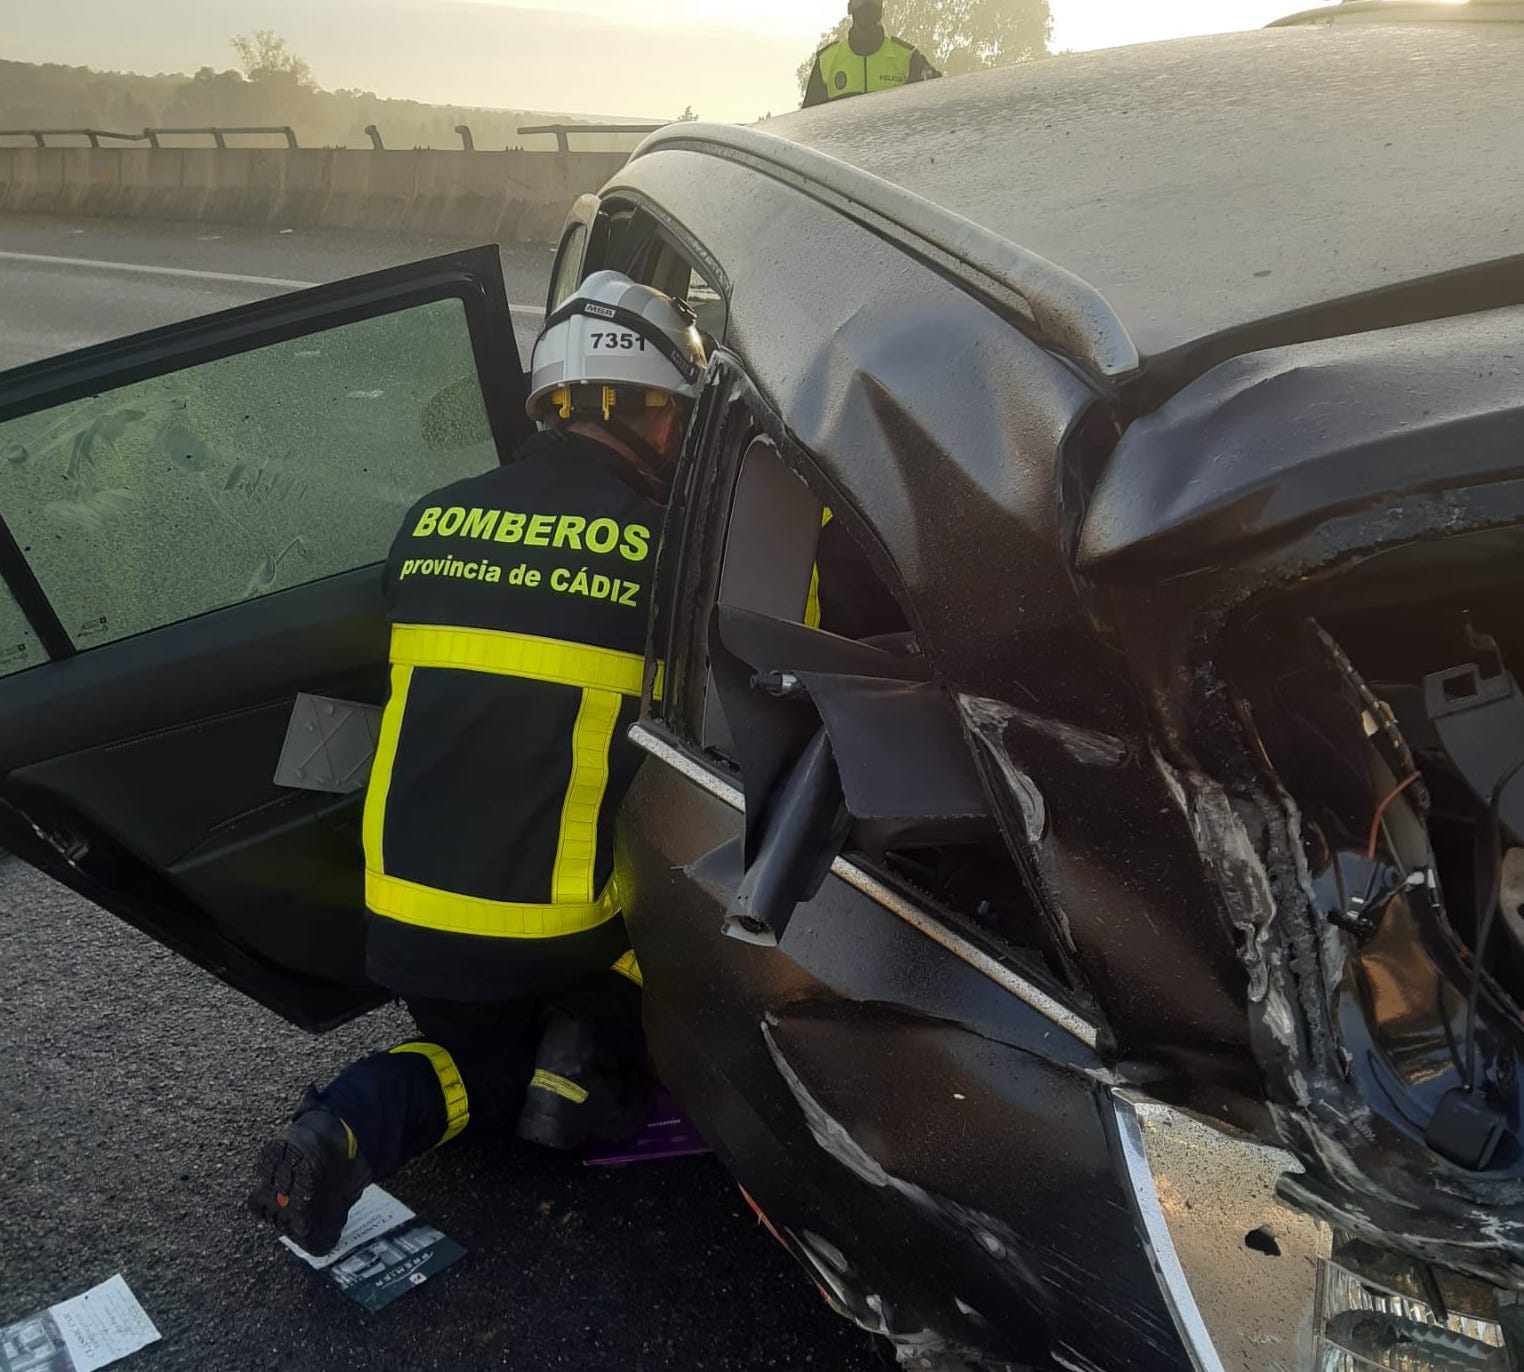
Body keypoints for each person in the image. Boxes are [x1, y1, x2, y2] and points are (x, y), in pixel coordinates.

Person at [248, 270, 707, 1256]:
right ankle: (586, 1057)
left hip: (407, 922)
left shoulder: (433, 520)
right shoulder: (670, 556)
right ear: (662, 415)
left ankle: (355, 1123)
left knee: (472, 1067)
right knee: (705, 862)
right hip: (563, 930)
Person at [802, 0, 941, 109]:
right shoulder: (826, 61)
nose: (868, 3)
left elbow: (939, 101)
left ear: (884, 7)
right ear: (849, 7)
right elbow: (808, 126)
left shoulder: (908, 57)